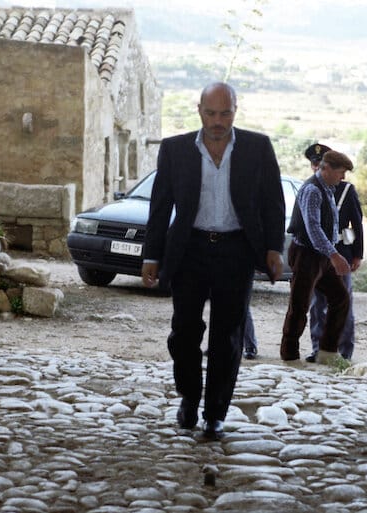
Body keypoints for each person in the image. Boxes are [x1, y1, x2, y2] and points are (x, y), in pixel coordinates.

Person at [142, 82, 285, 441]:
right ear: (199, 110)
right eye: (211, 113)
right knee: (184, 333)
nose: (218, 121)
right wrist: (152, 254)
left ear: (236, 110)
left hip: (236, 251)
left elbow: (272, 202)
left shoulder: (257, 147)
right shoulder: (175, 149)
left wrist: (273, 249)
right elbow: (160, 206)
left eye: (225, 113)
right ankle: (190, 396)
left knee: (228, 336)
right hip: (189, 249)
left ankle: (215, 413)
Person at [280, 150, 354, 363]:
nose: (343, 178)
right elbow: (313, 228)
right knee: (299, 305)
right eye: (341, 172)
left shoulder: (329, 189)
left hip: (323, 254)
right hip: (307, 254)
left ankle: (327, 352)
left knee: (340, 299)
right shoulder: (312, 190)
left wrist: (332, 252)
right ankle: (290, 355)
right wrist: (334, 255)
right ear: (327, 168)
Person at [307, 147, 363, 362]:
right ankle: (317, 348)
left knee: (343, 302)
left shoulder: (347, 190)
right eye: (314, 163)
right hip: (318, 253)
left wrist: (357, 254)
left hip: (342, 251)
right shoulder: (312, 188)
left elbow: (356, 222)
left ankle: (344, 350)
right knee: (317, 304)